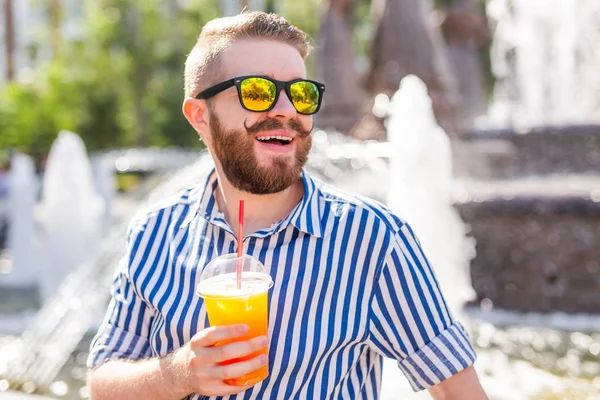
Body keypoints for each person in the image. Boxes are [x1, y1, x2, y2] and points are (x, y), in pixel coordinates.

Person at [87, 11, 488, 400]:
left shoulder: (373, 239)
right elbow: (101, 384)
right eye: (257, 92)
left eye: (300, 93)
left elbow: (460, 393)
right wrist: (180, 373)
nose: (287, 110)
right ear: (200, 116)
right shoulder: (153, 233)